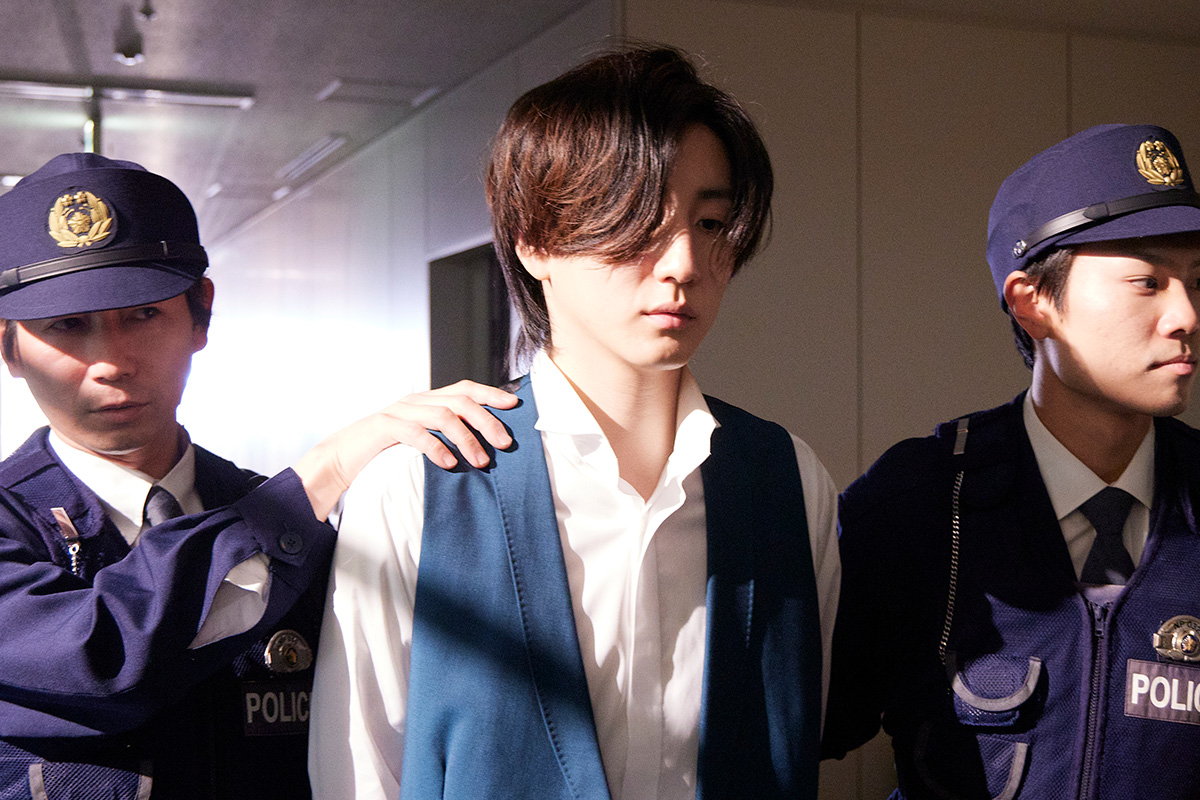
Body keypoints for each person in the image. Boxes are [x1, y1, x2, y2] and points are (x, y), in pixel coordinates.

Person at [309, 46, 840, 800]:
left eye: (711, 222)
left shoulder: (790, 482)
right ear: (536, 242)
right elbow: (360, 777)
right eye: (639, 223)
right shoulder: (418, 488)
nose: (685, 262)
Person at [0, 152, 516, 799]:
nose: (111, 362)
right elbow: (103, 657)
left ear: (201, 313)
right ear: (7, 344)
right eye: (67, 326)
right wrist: (322, 473)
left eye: (143, 314)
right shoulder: (288, 519)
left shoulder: (298, 528)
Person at [822, 124, 1200, 798]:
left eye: (1196, 282)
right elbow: (792, 732)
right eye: (1147, 282)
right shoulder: (920, 507)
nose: (1186, 316)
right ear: (1034, 304)